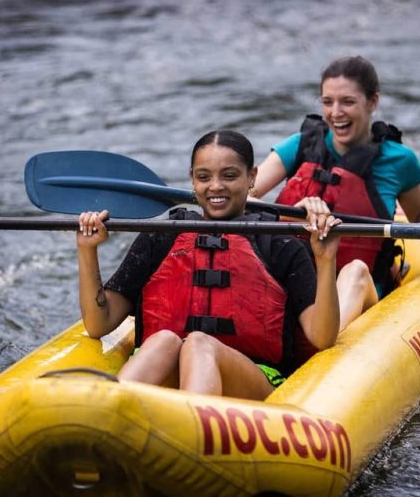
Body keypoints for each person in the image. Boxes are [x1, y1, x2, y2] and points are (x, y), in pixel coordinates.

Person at [76, 130, 341, 401]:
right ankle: (107, 406)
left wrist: (325, 259)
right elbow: (99, 325)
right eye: (204, 177)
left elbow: (322, 337)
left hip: (252, 381)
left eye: (229, 175)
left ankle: (190, 426)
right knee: (164, 340)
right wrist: (88, 249)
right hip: (168, 370)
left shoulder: (279, 244)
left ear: (251, 177)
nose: (215, 186)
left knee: (199, 344)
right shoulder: (161, 237)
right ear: (192, 179)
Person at [251, 55, 420, 331]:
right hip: (295, 281)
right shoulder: (301, 145)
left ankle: (327, 346)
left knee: (356, 271)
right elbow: (243, 197)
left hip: (357, 289)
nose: (335, 112)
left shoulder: (399, 160)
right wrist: (294, 210)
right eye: (327, 102)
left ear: (372, 101)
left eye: (347, 102)